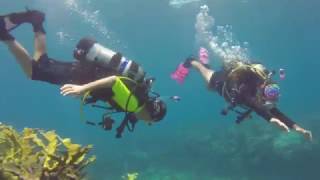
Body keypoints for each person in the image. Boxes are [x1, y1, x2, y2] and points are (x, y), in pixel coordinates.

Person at [0, 10, 167, 138]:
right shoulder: (133, 105)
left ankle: (36, 20)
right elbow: (114, 81)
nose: (148, 124)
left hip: (84, 72)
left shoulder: (140, 96)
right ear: (151, 114)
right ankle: (4, 34)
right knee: (34, 72)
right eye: (151, 122)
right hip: (80, 76)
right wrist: (82, 89)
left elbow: (119, 93)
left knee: (42, 64)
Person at [177, 55, 312, 141]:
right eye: (271, 91)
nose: (272, 96)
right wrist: (270, 119)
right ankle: (193, 61)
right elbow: (253, 104)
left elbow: (276, 112)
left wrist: (297, 127)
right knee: (206, 80)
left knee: (208, 88)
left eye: (275, 92)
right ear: (262, 87)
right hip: (221, 81)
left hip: (232, 83)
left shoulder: (262, 88)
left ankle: (206, 64)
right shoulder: (246, 90)